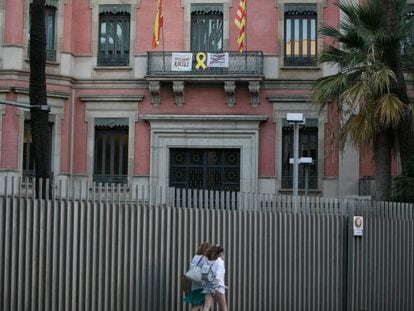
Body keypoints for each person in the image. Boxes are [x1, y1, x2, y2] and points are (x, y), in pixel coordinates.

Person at [184, 241, 211, 310]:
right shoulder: (205, 258)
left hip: (194, 284)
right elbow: (206, 271)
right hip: (202, 285)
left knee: (198, 304)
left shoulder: (195, 257)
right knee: (199, 305)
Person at [202, 245, 228, 311]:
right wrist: (215, 288)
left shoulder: (206, 260)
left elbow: (204, 273)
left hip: (208, 286)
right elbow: (218, 275)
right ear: (218, 253)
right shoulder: (219, 261)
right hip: (218, 287)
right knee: (223, 307)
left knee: (206, 306)